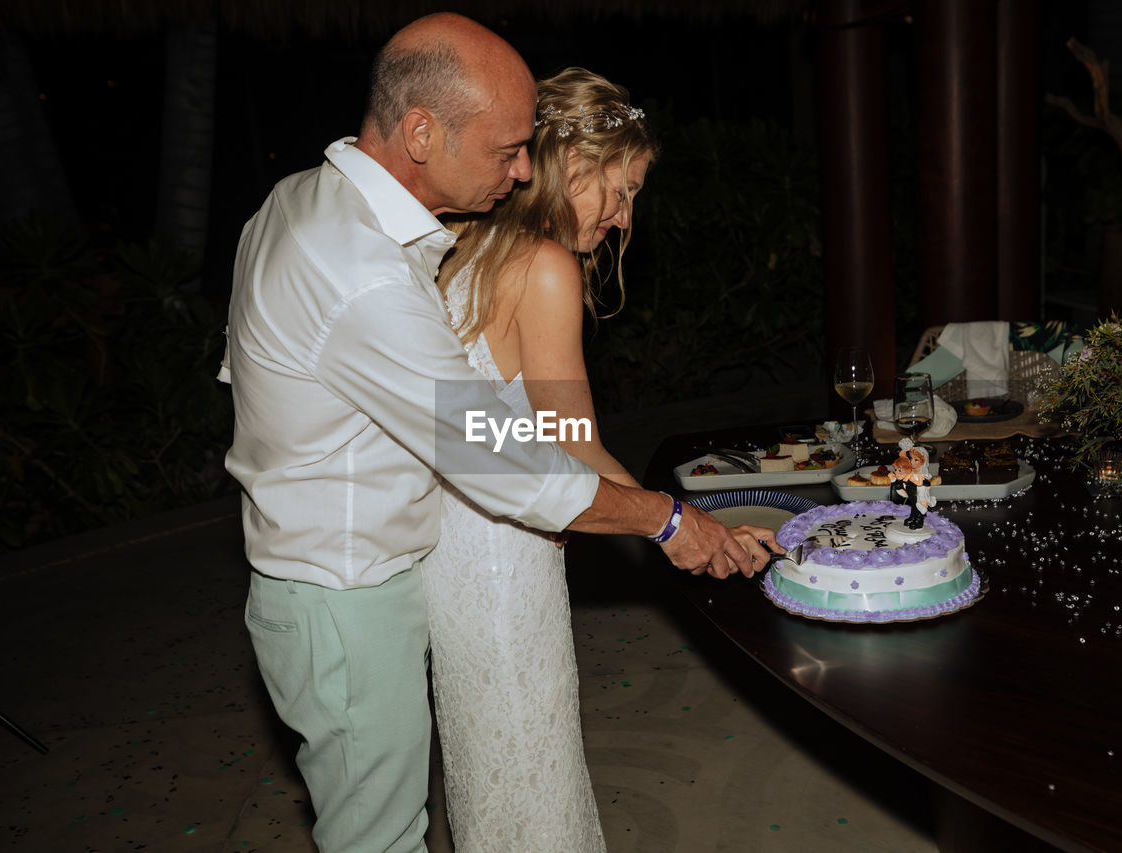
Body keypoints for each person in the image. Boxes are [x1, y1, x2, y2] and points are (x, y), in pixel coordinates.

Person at [218, 13, 780, 853]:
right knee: (386, 831)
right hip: (348, 589)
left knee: (425, 799)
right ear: (420, 131)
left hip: (378, 564)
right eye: (504, 150)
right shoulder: (366, 270)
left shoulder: (306, 206)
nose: (520, 171)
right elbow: (515, 452)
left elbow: (269, 376)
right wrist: (668, 520)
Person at [422, 68, 657, 851]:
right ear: (573, 169)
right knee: (531, 758)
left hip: (445, 545)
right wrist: (682, 524)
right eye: (617, 192)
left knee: (487, 765)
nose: (623, 219)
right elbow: (571, 446)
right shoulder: (545, 267)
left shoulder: (462, 245)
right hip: (505, 556)